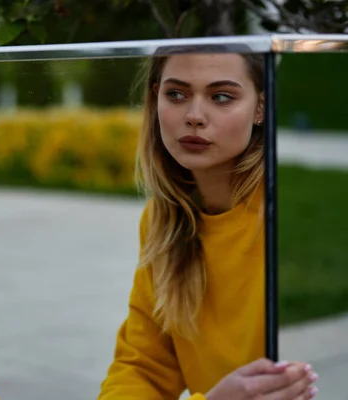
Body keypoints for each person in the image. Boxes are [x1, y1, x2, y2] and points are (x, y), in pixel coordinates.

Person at [97, 49, 319, 400]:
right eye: (176, 94)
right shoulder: (161, 218)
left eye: (221, 97)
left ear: (261, 107)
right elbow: (142, 367)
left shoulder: (292, 215)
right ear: (155, 98)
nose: (195, 116)